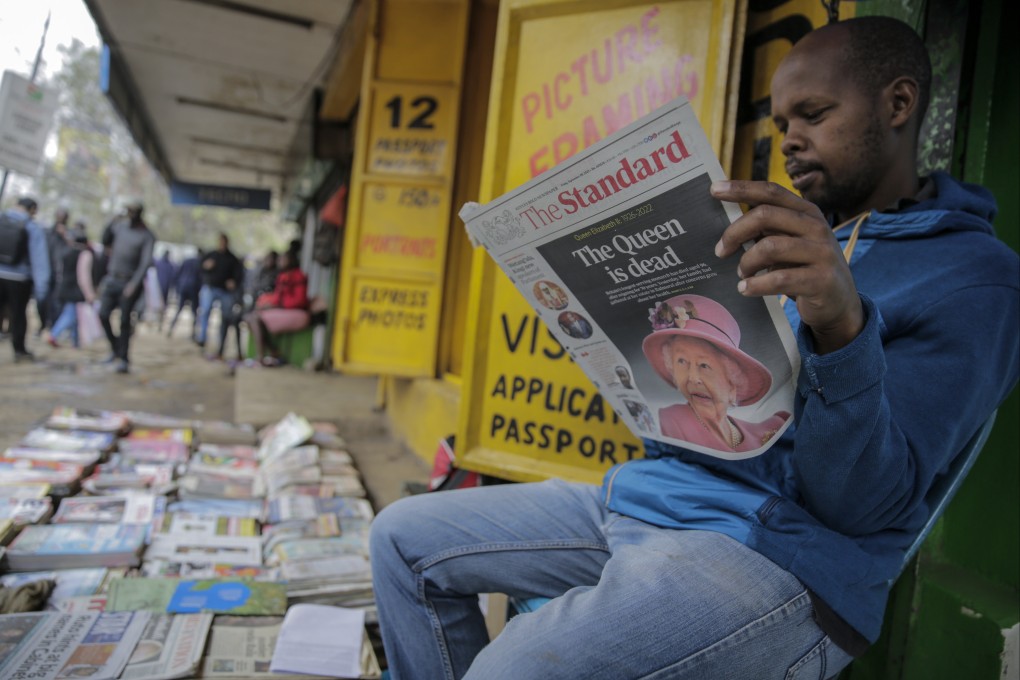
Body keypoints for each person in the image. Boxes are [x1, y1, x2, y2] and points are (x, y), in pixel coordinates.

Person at [369, 17, 1019, 680]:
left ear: (899, 104)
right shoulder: (779, 232)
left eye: (814, 115)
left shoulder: (973, 278)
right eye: (780, 124)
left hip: (778, 554)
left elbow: (862, 506)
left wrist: (842, 328)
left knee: (511, 670)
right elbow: (698, 420)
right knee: (401, 540)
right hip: (658, 498)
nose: (790, 142)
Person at [642, 294, 790, 453]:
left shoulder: (768, 430)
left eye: (704, 365)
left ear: (732, 385)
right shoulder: (671, 419)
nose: (693, 378)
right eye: (682, 361)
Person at [98, 200, 155, 374]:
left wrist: (134, 284)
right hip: (112, 279)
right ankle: (116, 349)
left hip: (129, 282)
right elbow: (105, 240)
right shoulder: (120, 227)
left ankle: (123, 358)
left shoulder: (147, 235)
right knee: (103, 314)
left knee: (124, 321)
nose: (131, 214)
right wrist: (112, 220)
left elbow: (145, 263)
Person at [0, 197, 50, 363]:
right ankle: (19, 350)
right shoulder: (32, 228)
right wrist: (42, 288)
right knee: (18, 314)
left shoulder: (2, 219)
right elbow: (39, 259)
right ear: (32, 210)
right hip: (20, 279)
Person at [244, 251, 309, 367]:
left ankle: (261, 357)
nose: (280, 262)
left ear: (291, 260)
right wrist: (267, 304)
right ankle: (273, 351)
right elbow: (277, 298)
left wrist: (278, 305)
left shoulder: (298, 276)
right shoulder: (283, 276)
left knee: (254, 319)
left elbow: (300, 301)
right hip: (284, 310)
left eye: (283, 259)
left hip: (296, 312)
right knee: (250, 318)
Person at [47, 229, 98, 348]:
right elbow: (83, 276)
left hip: (64, 288)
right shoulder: (85, 254)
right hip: (76, 290)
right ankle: (53, 335)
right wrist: (89, 293)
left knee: (75, 315)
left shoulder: (66, 251)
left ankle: (76, 342)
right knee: (70, 314)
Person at [195, 233, 242, 351]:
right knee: (205, 312)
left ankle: (220, 343)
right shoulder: (212, 255)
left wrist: (234, 281)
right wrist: (206, 266)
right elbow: (200, 267)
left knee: (225, 318)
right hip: (210, 288)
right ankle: (202, 338)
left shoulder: (232, 258)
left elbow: (239, 275)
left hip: (225, 292)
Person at [40, 207, 71, 333]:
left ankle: (55, 325)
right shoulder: (47, 232)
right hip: (45, 271)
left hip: (61, 273)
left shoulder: (69, 233)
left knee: (57, 301)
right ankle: (44, 323)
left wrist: (66, 236)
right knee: (42, 299)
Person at [167, 249, 201, 340]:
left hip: (183, 286)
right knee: (194, 312)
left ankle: (171, 329)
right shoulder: (200, 263)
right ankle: (193, 333)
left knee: (179, 309)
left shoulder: (187, 261)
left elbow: (177, 274)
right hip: (193, 288)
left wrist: (177, 287)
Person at [154, 250, 175, 330]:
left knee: (159, 305)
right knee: (162, 305)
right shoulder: (170, 265)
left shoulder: (159, 263)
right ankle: (159, 320)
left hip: (159, 287)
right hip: (164, 288)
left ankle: (159, 320)